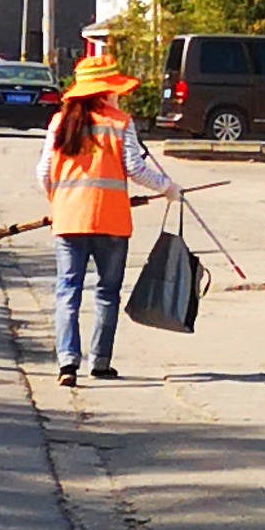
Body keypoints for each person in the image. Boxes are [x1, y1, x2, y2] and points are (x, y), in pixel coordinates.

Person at [44, 47, 174, 385]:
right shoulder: (121, 123)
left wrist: (57, 202)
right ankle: (100, 362)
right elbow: (135, 168)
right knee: (106, 292)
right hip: (111, 223)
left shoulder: (59, 122)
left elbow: (43, 172)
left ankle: (67, 363)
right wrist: (167, 187)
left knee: (67, 291)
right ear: (106, 91)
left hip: (69, 221)